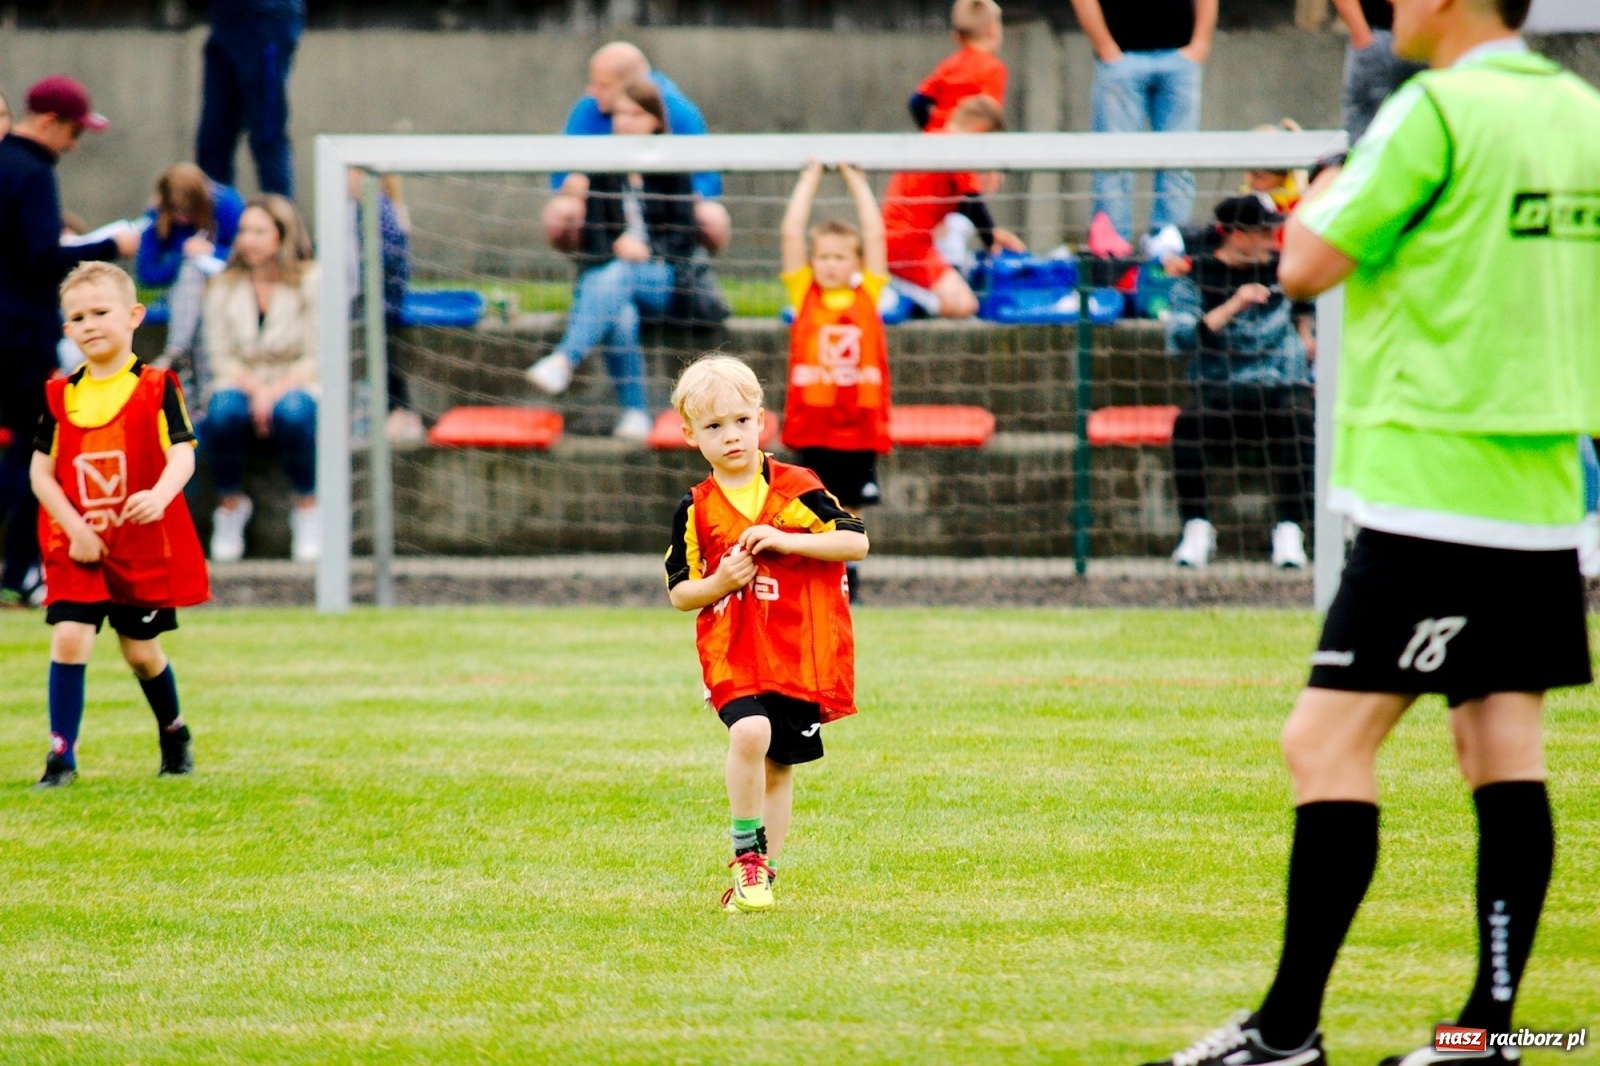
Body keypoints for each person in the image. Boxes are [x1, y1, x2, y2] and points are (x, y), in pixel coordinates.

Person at [1142, 0, 1600, 1062]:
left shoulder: (1429, 110)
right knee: (1501, 749)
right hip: (1540, 487)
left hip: (1431, 485)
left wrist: (1323, 186)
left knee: (1323, 743)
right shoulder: (1581, 113)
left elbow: (1304, 264)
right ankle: (1486, 1036)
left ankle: (1285, 1033)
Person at [664, 354, 868, 913]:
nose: (730, 435)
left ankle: (760, 878)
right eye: (713, 426)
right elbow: (680, 591)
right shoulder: (696, 508)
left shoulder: (798, 488)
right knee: (751, 731)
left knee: (779, 766)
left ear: (761, 420)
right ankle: (745, 856)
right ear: (690, 435)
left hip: (796, 649)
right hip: (732, 650)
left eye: (740, 421)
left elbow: (855, 542)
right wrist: (722, 581)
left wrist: (784, 540)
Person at [30, 262, 208, 788]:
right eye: (78, 317)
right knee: (70, 637)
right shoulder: (60, 396)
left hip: (138, 546)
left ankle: (173, 731)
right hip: (75, 545)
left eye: (100, 312)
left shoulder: (156, 387)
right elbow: (41, 474)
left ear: (133, 316)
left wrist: (159, 495)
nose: (89, 324)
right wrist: (76, 530)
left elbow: (183, 455)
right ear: (66, 328)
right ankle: (61, 758)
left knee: (140, 653)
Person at [0, 75, 140, 610]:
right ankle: (19, 572)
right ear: (49, 122)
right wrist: (110, 245)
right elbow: (41, 258)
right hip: (20, 337)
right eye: (74, 132)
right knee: (35, 454)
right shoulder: (33, 172)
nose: (74, 144)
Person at [525, 79, 698, 441]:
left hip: (666, 281)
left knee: (620, 274)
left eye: (636, 114)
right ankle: (636, 413)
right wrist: (619, 248)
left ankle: (564, 360)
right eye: (620, 113)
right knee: (620, 315)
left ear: (655, 120)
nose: (626, 121)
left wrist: (649, 252)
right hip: (613, 281)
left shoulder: (673, 166)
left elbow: (684, 238)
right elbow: (594, 243)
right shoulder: (603, 168)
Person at [1165, 195, 1315, 571]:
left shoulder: (1286, 272)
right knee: (1188, 425)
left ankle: (1290, 530)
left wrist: (1307, 336)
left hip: (1279, 387)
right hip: (1220, 386)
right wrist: (1234, 305)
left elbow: (1308, 306)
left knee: (1301, 420)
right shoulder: (1196, 277)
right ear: (1236, 234)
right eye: (1263, 232)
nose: (1272, 240)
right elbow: (1181, 338)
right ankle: (1197, 529)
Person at [780, 160, 890, 602]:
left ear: (857, 262)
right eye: (823, 256)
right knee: (811, 505)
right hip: (813, 425)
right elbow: (791, 233)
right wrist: (808, 178)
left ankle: (849, 581)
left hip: (858, 426)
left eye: (839, 256)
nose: (829, 264)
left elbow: (876, 234)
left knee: (851, 506)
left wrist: (856, 181)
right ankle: (812, 581)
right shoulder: (804, 294)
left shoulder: (869, 294)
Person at [201, 194, 321, 562]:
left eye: (259, 231)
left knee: (294, 413)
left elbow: (317, 356)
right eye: (243, 231)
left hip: (297, 381)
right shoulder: (223, 285)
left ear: (282, 235)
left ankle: (308, 507)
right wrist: (256, 390)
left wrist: (275, 391)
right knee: (222, 412)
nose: (248, 240)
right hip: (240, 381)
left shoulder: (310, 281)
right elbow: (220, 356)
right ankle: (230, 507)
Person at [542, 42, 730, 257]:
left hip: (666, 209)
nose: (592, 91)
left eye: (603, 85)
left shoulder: (679, 112)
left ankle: (685, 266)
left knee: (712, 217)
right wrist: (575, 184)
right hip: (606, 208)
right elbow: (561, 172)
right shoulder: (588, 109)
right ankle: (593, 266)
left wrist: (677, 195)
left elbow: (708, 179)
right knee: (560, 214)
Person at [1071, 0, 1218, 242]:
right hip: (1121, 59)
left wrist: (1200, 45)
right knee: (1113, 164)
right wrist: (1106, 47)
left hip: (1180, 58)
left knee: (1178, 164)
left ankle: (1169, 251)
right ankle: (1112, 252)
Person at [882, 94, 1024, 318]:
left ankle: (899, 293)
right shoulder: (956, 148)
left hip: (901, 241)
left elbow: (960, 204)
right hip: (910, 246)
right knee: (964, 305)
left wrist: (994, 233)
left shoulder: (932, 138)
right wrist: (990, 242)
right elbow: (972, 200)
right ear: (979, 131)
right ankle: (901, 298)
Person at [137, 163, 247, 397]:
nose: (182, 219)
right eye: (177, 213)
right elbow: (147, 273)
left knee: (197, 285)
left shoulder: (227, 204)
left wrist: (213, 252)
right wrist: (181, 255)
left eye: (188, 213)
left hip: (226, 291)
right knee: (190, 276)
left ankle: (175, 352)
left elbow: (245, 258)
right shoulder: (156, 215)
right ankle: (201, 392)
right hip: (178, 296)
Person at [195, 0, 304, 198]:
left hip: (265, 19)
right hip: (224, 19)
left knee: (267, 136)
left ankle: (278, 214)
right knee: (213, 140)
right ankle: (214, 214)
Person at [347, 170, 424, 444]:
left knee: (383, 360)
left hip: (381, 303)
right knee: (380, 359)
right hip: (374, 303)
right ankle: (393, 412)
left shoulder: (378, 209)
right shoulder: (363, 207)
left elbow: (384, 259)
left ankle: (401, 413)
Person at [1332, 0, 1428, 143]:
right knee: (1367, 134)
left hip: (1427, 39)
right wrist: (1361, 34)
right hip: (1378, 37)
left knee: (1429, 127)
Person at [909, 0, 1008, 132]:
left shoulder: (948, 65)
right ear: (992, 29)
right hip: (967, 137)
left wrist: (930, 130)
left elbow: (917, 102)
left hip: (939, 136)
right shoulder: (993, 68)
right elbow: (989, 115)